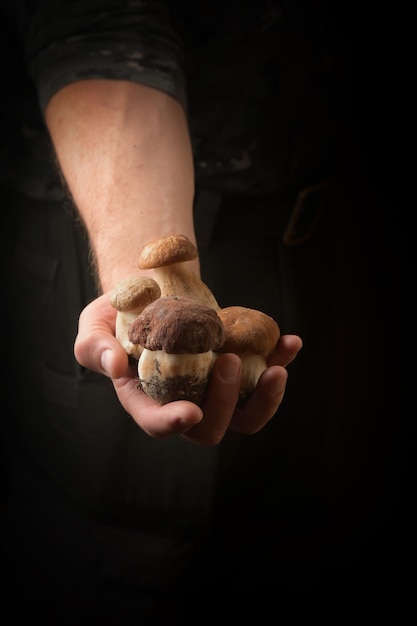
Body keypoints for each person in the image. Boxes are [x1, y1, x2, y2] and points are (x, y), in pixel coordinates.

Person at [0, 0, 413, 623]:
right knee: (134, 556)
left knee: (265, 537)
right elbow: (101, 30)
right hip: (117, 217)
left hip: (297, 243)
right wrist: (147, 280)